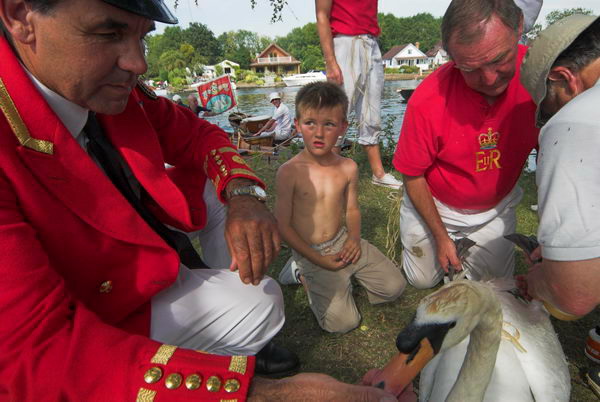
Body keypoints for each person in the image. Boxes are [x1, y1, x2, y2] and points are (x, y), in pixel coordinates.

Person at [0, 1, 398, 400]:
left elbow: (199, 136)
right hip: (88, 317)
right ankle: (205, 353)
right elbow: (33, 357)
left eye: (142, 37)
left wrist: (243, 195)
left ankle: (224, 324)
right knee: (259, 309)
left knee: (256, 289)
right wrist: (263, 393)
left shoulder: (98, 86)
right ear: (20, 17)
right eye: (109, 33)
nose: (138, 63)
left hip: (128, 268)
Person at [393, 0, 540, 289]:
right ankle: (422, 231)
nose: (489, 79)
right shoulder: (427, 99)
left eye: (499, 60)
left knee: (494, 283)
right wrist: (439, 235)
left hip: (494, 208)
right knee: (421, 281)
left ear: (519, 27)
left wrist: (553, 236)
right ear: (452, 57)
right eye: (470, 68)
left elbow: (555, 159)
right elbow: (413, 174)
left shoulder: (541, 81)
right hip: (436, 204)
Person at [275, 82, 407, 334]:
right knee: (343, 324)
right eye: (310, 123)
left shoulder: (347, 167)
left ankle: (344, 275)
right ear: (297, 124)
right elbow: (283, 226)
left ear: (343, 128)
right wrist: (317, 259)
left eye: (329, 124)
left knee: (393, 288)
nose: (319, 133)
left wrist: (355, 239)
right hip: (311, 252)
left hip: (342, 240)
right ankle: (299, 272)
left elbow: (352, 210)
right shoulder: (289, 172)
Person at [519, 15, 600, 395]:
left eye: (548, 108)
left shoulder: (575, 122)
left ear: (566, 80)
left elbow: (574, 295)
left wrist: (542, 280)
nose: (549, 120)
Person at [316, 0, 403, 189]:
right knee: (337, 112)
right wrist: (331, 61)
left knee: (371, 111)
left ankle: (378, 173)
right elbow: (322, 15)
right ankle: (328, 172)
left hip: (371, 43)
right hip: (344, 44)